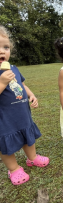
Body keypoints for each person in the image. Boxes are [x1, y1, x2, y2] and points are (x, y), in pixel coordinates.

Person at [0, 26, 49, 185]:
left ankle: (32, 158)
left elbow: (21, 84)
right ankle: (13, 169)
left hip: (22, 113)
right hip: (5, 120)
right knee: (6, 144)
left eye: (5, 47)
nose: (2, 51)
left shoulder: (13, 68)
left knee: (28, 138)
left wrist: (31, 95)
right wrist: (2, 82)